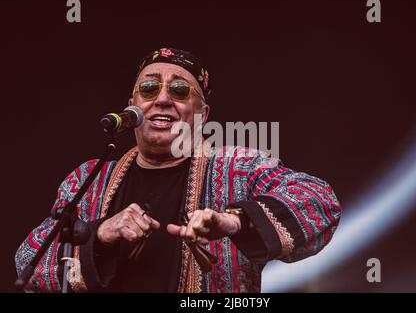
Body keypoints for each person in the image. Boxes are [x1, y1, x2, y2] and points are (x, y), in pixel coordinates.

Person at [15, 47, 342, 293]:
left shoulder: (239, 168)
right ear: (132, 104)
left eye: (180, 91)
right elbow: (29, 261)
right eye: (149, 88)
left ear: (203, 113)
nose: (162, 99)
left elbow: (319, 201)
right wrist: (100, 234)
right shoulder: (89, 177)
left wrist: (233, 221)